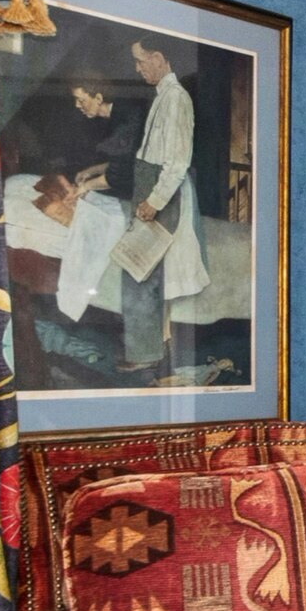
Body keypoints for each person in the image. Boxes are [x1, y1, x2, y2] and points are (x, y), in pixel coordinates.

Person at [113, 38, 210, 380]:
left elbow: (177, 162)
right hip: (147, 182)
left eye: (140, 61)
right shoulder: (162, 97)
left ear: (158, 58)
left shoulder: (177, 99)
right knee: (139, 268)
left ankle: (145, 354)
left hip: (159, 189)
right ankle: (151, 348)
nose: (137, 68)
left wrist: (155, 200)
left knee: (141, 272)